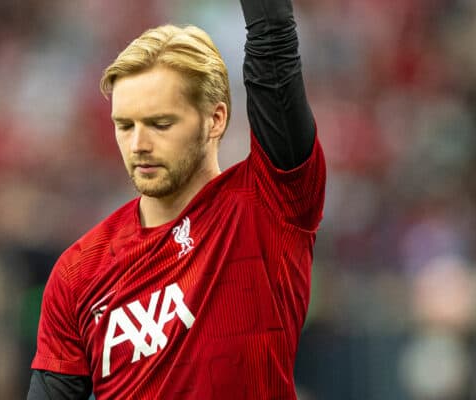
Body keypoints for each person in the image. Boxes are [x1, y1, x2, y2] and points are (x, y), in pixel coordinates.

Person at [28, 0, 325, 398]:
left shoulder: (268, 204)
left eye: (160, 124)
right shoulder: (78, 272)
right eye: (124, 125)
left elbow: (274, 50)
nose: (139, 144)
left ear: (215, 119)